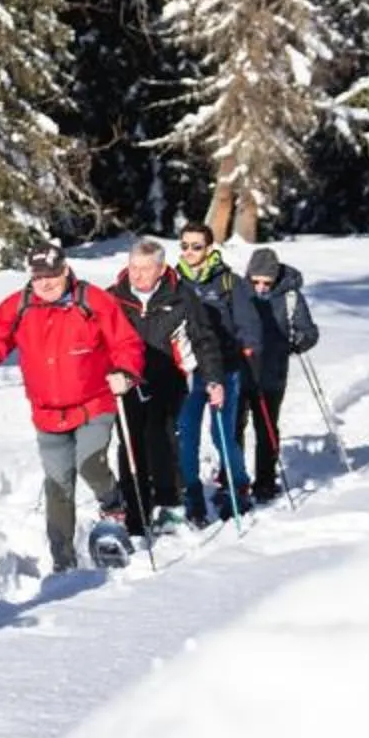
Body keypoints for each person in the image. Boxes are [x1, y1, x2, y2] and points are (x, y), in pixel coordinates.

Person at [0, 244, 146, 573]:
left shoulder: (93, 300)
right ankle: (63, 562)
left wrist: (126, 373)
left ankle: (114, 509)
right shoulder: (20, 305)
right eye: (39, 277)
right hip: (47, 412)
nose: (45, 284)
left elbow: (126, 343)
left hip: (94, 402)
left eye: (52, 276)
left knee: (89, 462)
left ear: (66, 271)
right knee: (58, 485)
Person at [104, 236, 227, 530]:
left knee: (163, 438)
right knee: (131, 445)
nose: (137, 274)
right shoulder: (113, 297)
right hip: (127, 382)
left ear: (160, 269)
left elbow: (204, 340)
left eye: (145, 269)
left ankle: (169, 501)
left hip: (169, 378)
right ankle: (136, 512)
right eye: (133, 267)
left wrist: (213, 379)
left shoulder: (181, 297)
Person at [171, 222, 265, 515]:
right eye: (184, 245)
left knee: (221, 434)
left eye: (196, 246)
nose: (189, 252)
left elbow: (249, 324)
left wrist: (248, 347)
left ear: (209, 248)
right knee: (186, 434)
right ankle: (192, 492)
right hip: (188, 372)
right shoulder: (174, 281)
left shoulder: (227, 282)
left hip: (224, 370)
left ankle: (237, 486)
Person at [240, 246, 321, 500]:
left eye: (267, 282)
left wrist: (298, 341)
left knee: (266, 427)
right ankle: (235, 480)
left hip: (272, 374)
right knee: (235, 427)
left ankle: (265, 481)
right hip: (241, 372)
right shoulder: (238, 293)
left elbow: (308, 331)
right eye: (256, 281)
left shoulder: (289, 296)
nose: (262, 287)